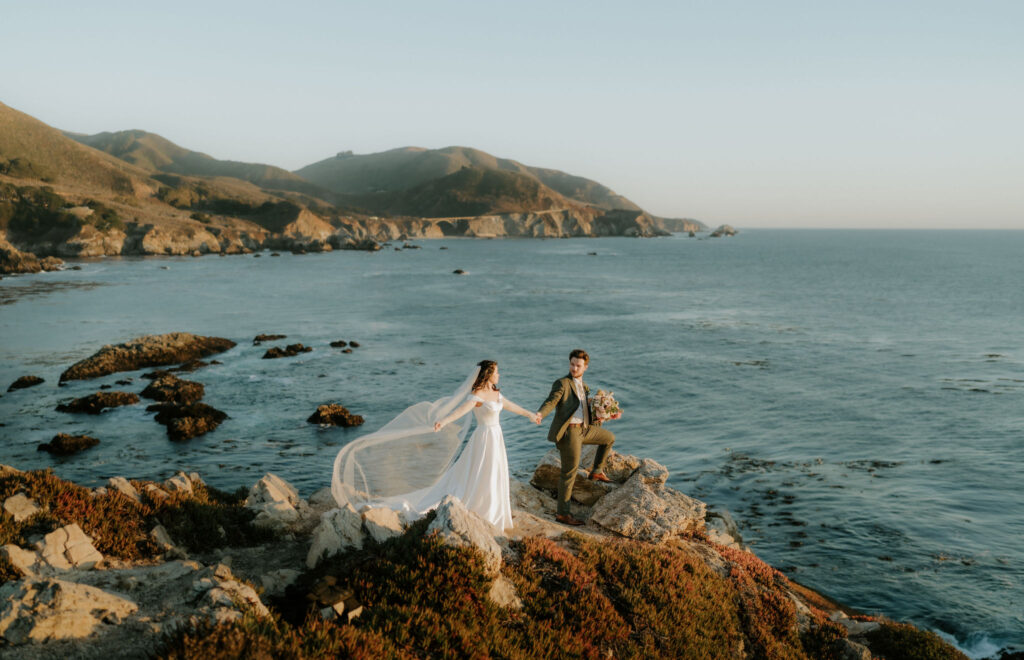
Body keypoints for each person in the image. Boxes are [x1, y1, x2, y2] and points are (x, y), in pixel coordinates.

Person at [331, 360, 539, 532]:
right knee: (482, 472)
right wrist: (444, 421)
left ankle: (494, 512)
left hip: (496, 437)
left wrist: (531, 415)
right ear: (488, 374)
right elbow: (460, 411)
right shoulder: (477, 395)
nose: (499, 375)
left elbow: (511, 406)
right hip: (484, 438)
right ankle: (485, 511)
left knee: (494, 472)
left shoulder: (496, 392)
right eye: (496, 372)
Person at [537, 349, 616, 526]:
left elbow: (587, 411)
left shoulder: (584, 387)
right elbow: (551, 401)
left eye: (578, 365)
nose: (574, 368)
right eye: (572, 364)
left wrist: (608, 415)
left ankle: (596, 471)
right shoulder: (563, 383)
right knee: (569, 473)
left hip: (585, 429)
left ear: (585, 367)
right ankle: (563, 514)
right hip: (570, 432)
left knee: (609, 438)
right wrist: (540, 414)